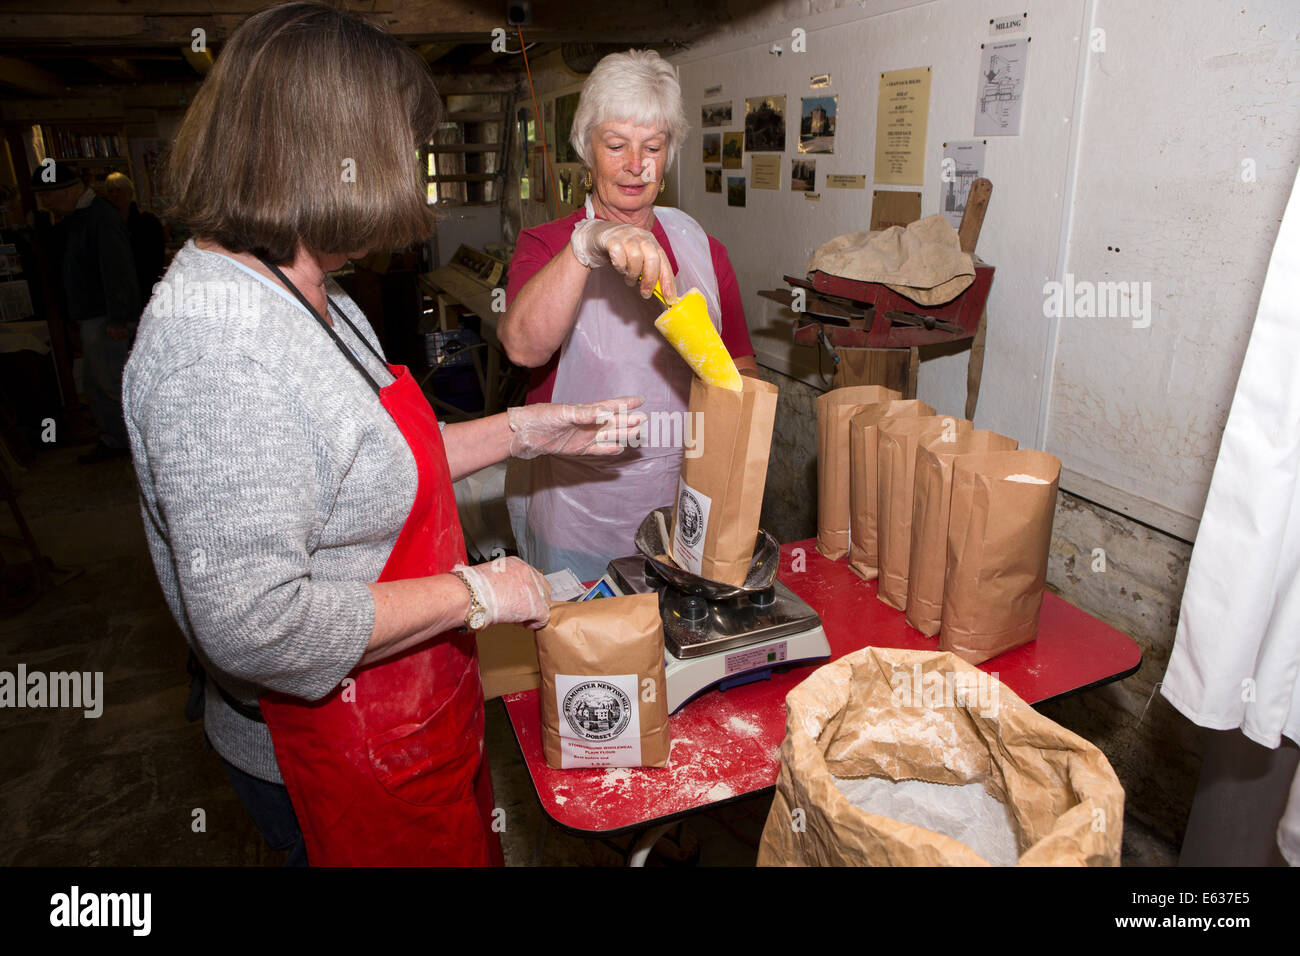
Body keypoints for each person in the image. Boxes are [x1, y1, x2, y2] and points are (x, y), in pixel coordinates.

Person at [122, 1, 645, 867]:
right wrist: (477, 594)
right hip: (325, 746)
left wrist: (526, 429)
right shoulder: (214, 349)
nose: (410, 172)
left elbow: (375, 462)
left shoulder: (309, 286)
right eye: (402, 147)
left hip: (408, 709)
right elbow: (257, 626)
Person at [500, 50, 758, 582]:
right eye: (616, 146)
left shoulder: (702, 252)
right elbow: (523, 348)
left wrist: (730, 483)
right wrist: (585, 247)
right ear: (586, 151)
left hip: (681, 508)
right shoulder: (545, 245)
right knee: (589, 660)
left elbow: (741, 372)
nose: (635, 165)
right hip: (577, 513)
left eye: (653, 147)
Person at [30, 161, 140, 463]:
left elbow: (117, 270)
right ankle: (114, 439)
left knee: (110, 382)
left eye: (49, 195)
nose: (46, 202)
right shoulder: (80, 218)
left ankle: (127, 443)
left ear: (69, 190)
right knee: (97, 381)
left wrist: (118, 318)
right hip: (94, 314)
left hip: (104, 316)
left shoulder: (99, 218)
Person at [104, 172, 166, 307]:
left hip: (145, 284)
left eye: (119, 190)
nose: (115, 195)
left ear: (130, 192)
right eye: (111, 191)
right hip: (119, 290)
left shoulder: (148, 222)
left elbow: (156, 256)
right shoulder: (106, 226)